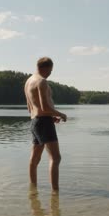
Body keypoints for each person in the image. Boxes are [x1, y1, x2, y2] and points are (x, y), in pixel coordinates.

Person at [24, 57, 67, 192]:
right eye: (50, 70)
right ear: (45, 67)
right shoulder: (41, 82)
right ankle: (55, 192)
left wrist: (50, 116)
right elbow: (45, 107)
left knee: (35, 158)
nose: (50, 73)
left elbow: (30, 108)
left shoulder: (28, 81)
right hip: (43, 123)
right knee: (55, 157)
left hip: (35, 122)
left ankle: (33, 189)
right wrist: (60, 114)